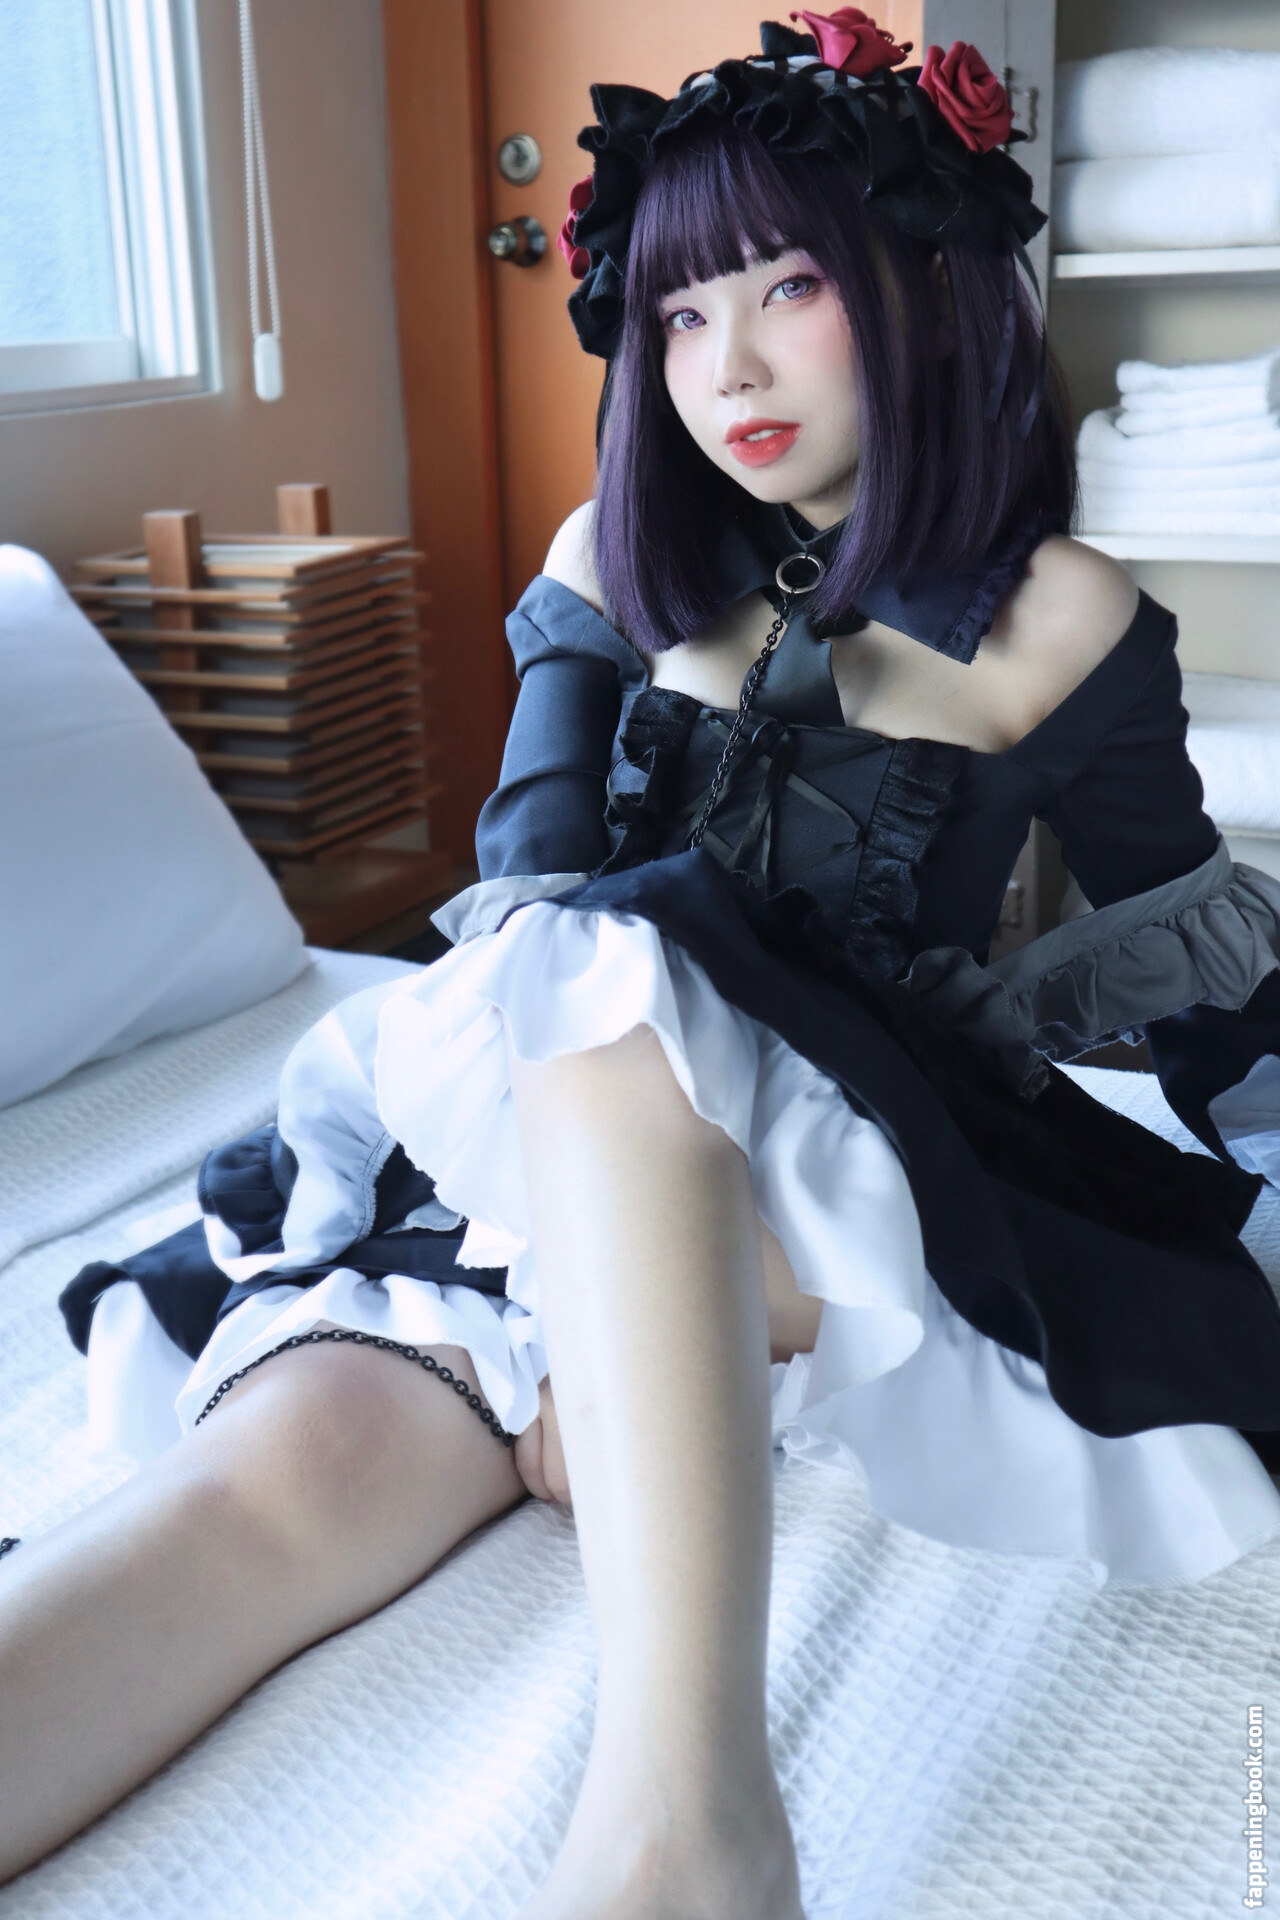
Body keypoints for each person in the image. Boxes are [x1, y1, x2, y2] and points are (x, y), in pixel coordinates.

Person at [5, 16, 1280, 1917]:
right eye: (680, 313)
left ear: (923, 283)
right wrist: (555, 1293)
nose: (727, 365)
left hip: (864, 1184)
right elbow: (520, 926)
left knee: (616, 977)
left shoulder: (1066, 618)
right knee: (286, 1474)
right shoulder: (611, 559)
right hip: (545, 1164)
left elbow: (1197, 965)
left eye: (788, 288)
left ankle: (690, 1831)